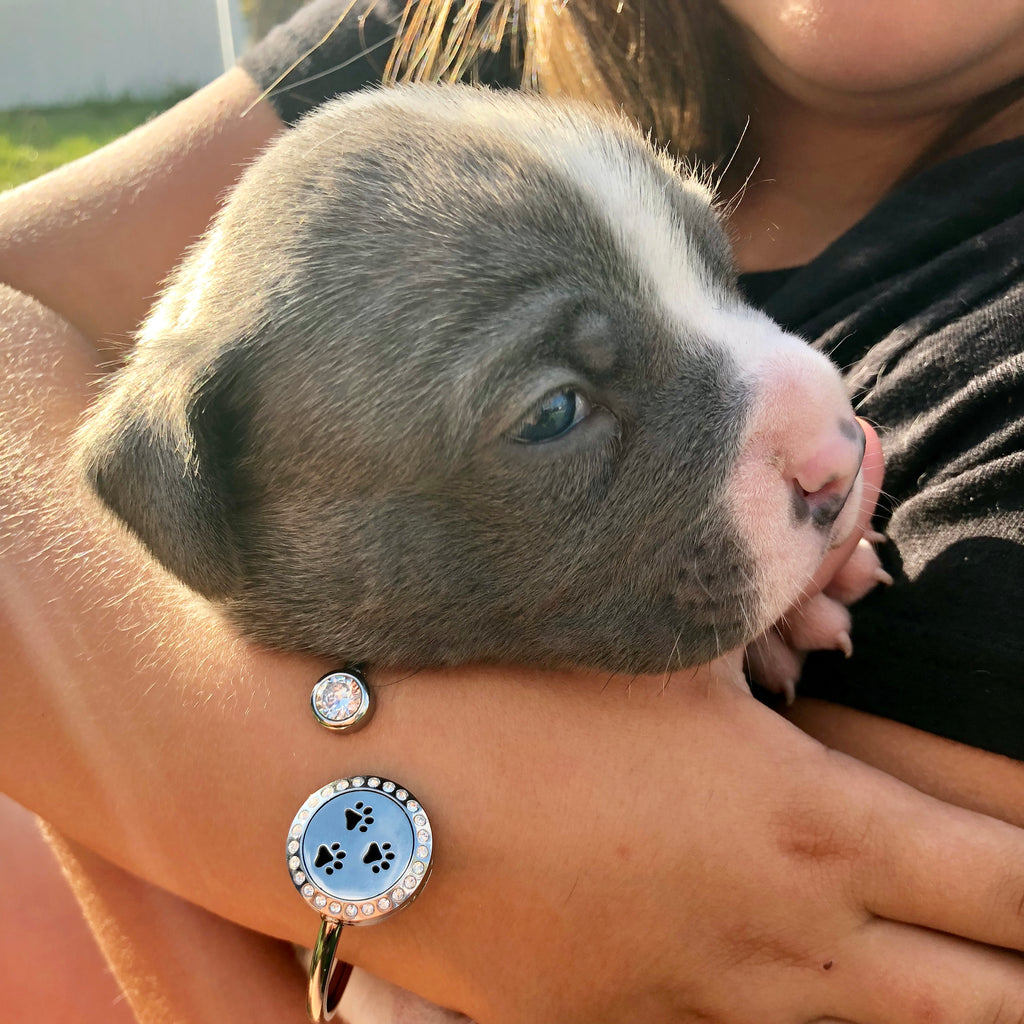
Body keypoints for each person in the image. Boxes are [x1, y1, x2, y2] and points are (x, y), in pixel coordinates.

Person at [0, 0, 1021, 1021]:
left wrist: (91, 754)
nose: (830, 443)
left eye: (718, 274)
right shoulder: (462, 34)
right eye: (556, 412)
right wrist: (202, 758)